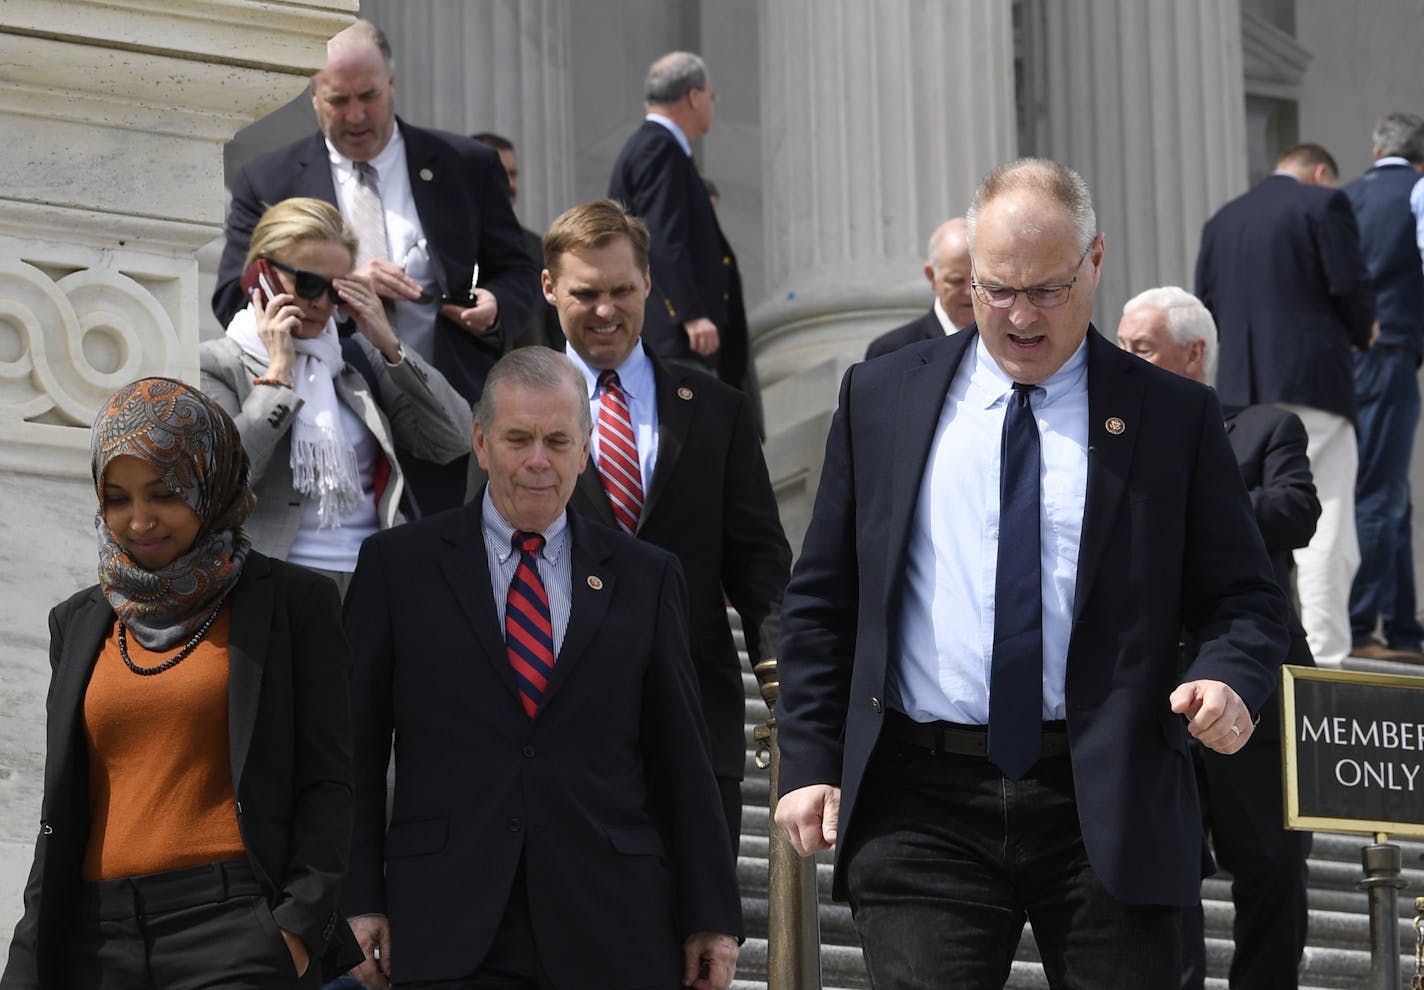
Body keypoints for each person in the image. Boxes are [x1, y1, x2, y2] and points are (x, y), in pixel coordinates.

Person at [773, 158, 1291, 988]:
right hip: (921, 800)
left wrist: (1229, 678)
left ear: (1095, 263)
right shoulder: (880, 399)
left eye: (1046, 290)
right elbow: (823, 599)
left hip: (1108, 800)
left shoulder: (1172, 416)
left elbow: (1243, 597)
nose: (1019, 317)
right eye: (995, 290)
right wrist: (806, 759)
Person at [340, 347, 743, 989]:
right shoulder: (398, 567)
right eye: (518, 438)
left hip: (613, 924)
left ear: (585, 450)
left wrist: (712, 914)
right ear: (480, 440)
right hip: (447, 923)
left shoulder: (647, 575)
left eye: (557, 441)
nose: (537, 461)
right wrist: (358, 899)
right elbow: (354, 750)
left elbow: (683, 760)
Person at [1, 377, 360, 989]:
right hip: (96, 941)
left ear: (211, 484)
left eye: (165, 493)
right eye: (116, 498)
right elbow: (62, 808)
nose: (139, 520)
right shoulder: (79, 620)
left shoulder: (294, 604)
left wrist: (294, 930)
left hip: (231, 930)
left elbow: (328, 780)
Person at [213, 19, 537, 513]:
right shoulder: (268, 179)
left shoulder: (465, 164)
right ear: (313, 94)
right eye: (338, 101)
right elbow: (234, 297)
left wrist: (494, 306)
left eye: (369, 96)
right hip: (329, 425)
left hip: (444, 413)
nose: (357, 115)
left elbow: (518, 271)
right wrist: (337, 288)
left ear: (391, 84)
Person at [547, 200, 791, 842]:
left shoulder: (716, 409)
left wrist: (790, 687)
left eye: (623, 290)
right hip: (548, 733)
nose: (607, 311)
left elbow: (761, 568)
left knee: (702, 936)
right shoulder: (508, 408)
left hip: (695, 726)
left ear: (649, 283)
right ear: (549, 288)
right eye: (587, 293)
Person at [1117, 286, 1318, 990]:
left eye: (1140, 348)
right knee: (1170, 870)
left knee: (1273, 865)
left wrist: (1195, 485)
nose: (1123, 359)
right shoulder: (1115, 433)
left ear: (1193, 353)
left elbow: (1296, 511)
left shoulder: (1266, 427)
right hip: (1157, 690)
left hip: (1254, 688)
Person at [201, 197, 472, 599]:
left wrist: (390, 345)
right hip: (273, 584)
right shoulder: (217, 363)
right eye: (308, 284)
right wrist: (278, 377)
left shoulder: (356, 362)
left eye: (337, 290)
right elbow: (220, 480)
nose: (322, 303)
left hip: (374, 582)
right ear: (262, 275)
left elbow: (455, 437)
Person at [1195, 143, 1376, 667]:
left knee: (1249, 521)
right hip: (1311, 382)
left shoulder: (1221, 220)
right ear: (1321, 173)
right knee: (1327, 526)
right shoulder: (1324, 204)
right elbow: (1349, 284)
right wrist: (1368, 331)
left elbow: (1204, 299)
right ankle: (1325, 659)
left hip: (1238, 396)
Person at [608, 51, 750, 393]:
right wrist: (690, 314)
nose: (711, 105)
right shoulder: (659, 148)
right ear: (693, 96)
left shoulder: (652, 146)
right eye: (711, 96)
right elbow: (662, 235)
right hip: (676, 337)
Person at [1342, 113, 1424, 662]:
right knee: (1379, 492)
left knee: (1388, 491)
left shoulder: (1344, 197)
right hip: (1391, 349)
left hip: (1344, 356)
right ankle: (1362, 626)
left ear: (1375, 151)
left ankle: (1401, 628)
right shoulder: (1418, 190)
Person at [865, 217, 975, 359]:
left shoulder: (1007, 342)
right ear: (931, 276)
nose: (970, 292)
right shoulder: (892, 351)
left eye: (977, 281)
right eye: (956, 281)